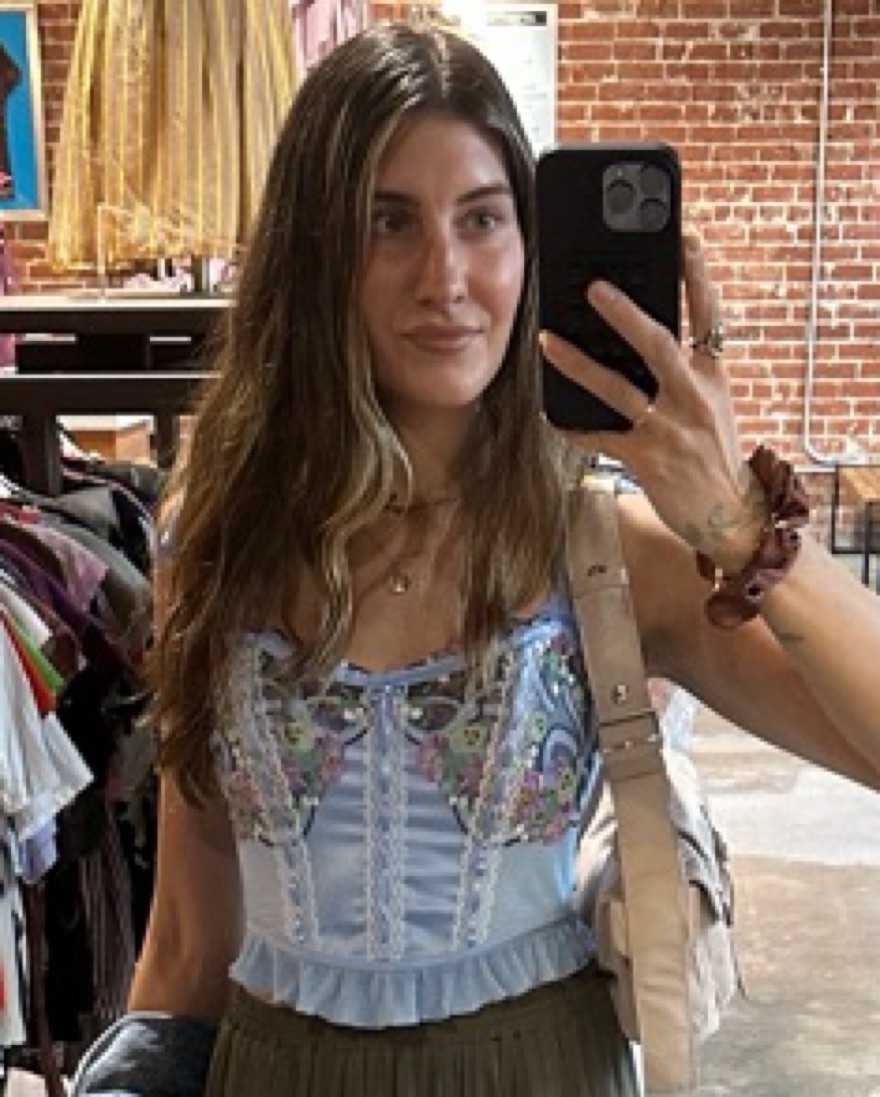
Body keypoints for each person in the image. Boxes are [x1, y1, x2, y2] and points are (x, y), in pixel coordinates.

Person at [72, 20, 880, 1097]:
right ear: (315, 253)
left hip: (540, 1071)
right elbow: (186, 930)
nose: (444, 277)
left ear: (527, 248)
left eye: (482, 218)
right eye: (388, 221)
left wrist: (738, 520)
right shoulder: (216, 538)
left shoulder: (604, 553)